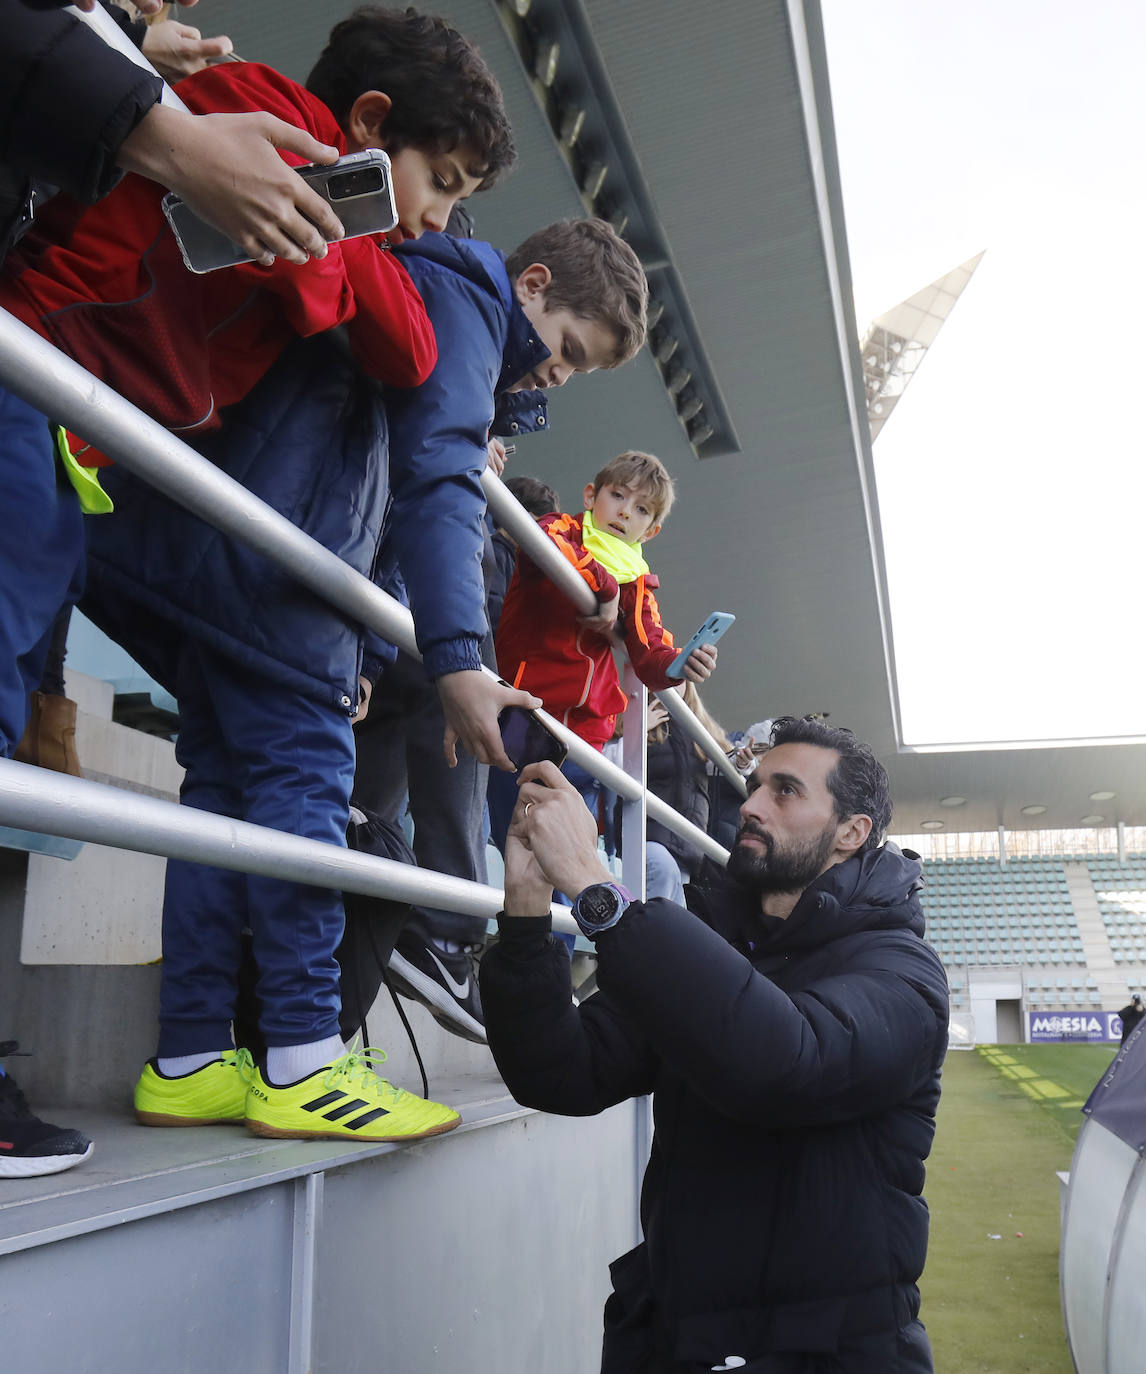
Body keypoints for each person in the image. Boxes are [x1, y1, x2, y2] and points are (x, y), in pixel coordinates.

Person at [68, 6, 515, 1142]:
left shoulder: (295, 180)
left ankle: (188, 1057)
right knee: (304, 790)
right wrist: (448, 653)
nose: (444, 216)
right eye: (444, 182)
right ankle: (308, 1057)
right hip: (240, 548)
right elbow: (417, 409)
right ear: (370, 123)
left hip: (155, 509)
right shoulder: (288, 158)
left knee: (217, 796)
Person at [0, 0, 350, 1175]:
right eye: (440, 187)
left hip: (59, 412)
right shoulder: (244, 118)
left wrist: (128, 71)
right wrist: (154, 113)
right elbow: (379, 323)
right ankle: (264, 1054)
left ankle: (199, 1054)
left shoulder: (140, 71)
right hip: (35, 374)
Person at [481, 715, 949, 1373]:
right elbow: (562, 1073)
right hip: (675, 1339)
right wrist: (527, 912)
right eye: (754, 787)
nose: (751, 805)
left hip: (829, 1355)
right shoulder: (718, 941)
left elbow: (782, 1063)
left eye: (784, 791)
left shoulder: (905, 972)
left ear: (852, 832)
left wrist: (597, 888)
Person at [490, 449, 718, 851]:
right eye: (618, 496)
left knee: (561, 851)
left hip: (584, 735)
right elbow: (541, 542)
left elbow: (652, 650)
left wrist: (683, 663)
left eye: (643, 509)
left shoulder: (638, 579)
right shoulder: (560, 528)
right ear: (591, 495)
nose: (626, 512)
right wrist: (605, 587)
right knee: (505, 834)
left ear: (651, 531)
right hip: (521, 708)